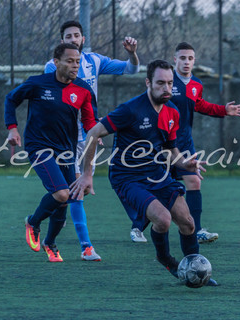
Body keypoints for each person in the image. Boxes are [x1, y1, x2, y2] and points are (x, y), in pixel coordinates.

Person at [70, 60, 218, 285]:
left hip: (156, 173)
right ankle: (166, 259)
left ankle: (194, 267)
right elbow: (94, 132)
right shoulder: (131, 109)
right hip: (127, 177)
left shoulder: (172, 112)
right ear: (148, 82)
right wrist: (87, 173)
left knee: (188, 223)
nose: (166, 88)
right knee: (163, 219)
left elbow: (170, 148)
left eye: (169, 83)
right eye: (160, 83)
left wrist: (184, 164)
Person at [129, 42, 240, 243]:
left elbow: (199, 104)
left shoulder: (196, 84)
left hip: (184, 143)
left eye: (190, 58)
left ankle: (197, 230)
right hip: (162, 144)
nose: (186, 62)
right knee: (158, 186)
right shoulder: (166, 81)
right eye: (182, 58)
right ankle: (137, 227)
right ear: (175, 60)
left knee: (194, 181)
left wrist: (223, 110)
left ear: (194, 61)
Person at [45, 20, 140, 259]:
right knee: (76, 189)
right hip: (65, 137)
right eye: (69, 36)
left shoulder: (94, 61)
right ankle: (86, 247)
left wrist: (133, 54)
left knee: (78, 190)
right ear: (62, 41)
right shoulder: (51, 67)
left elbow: (131, 69)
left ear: (83, 39)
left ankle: (46, 215)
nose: (73, 39)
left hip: (89, 134)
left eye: (77, 35)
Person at [5, 43, 98, 262]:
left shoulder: (83, 89)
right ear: (56, 62)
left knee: (69, 197)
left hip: (66, 152)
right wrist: (12, 128)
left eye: (77, 62)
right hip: (39, 147)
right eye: (69, 61)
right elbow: (11, 99)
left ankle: (50, 242)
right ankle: (33, 221)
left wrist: (96, 134)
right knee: (62, 193)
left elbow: (89, 123)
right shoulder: (37, 83)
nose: (75, 66)